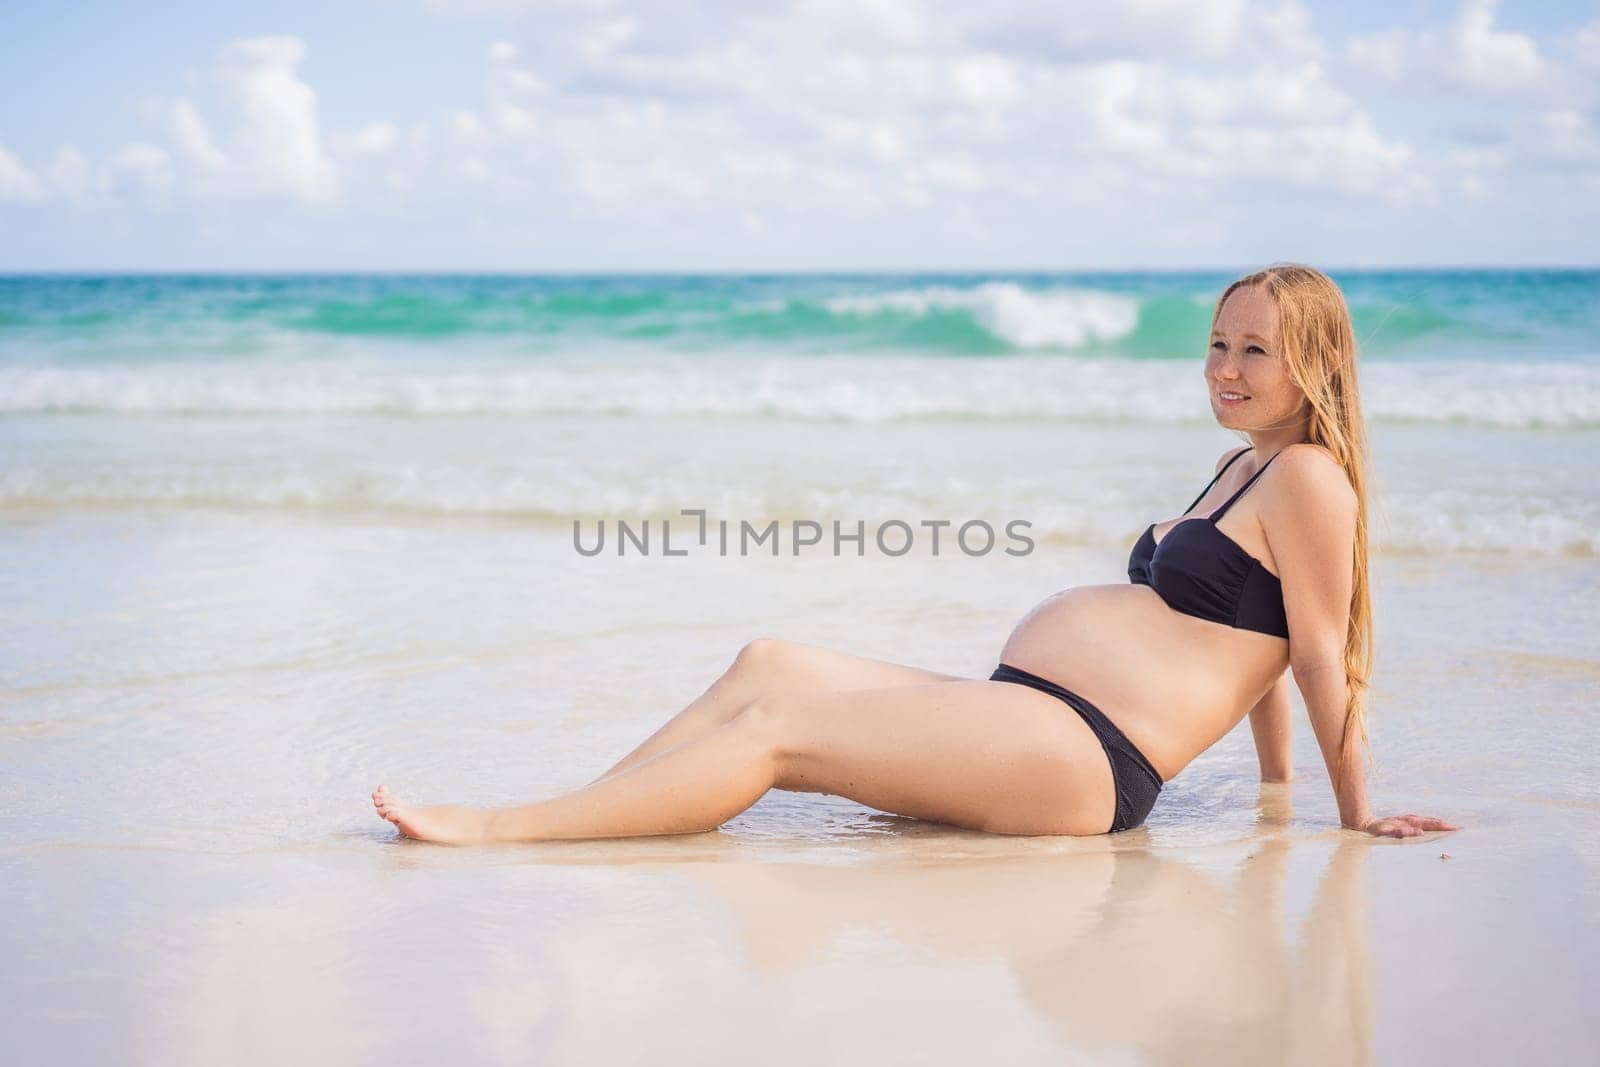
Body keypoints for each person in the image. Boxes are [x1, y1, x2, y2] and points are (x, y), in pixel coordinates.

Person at [371, 263, 1460, 844]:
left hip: (1082, 758)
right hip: (1037, 718)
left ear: (1312, 361)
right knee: (771, 662)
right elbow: (1250, 640)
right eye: (1217, 342)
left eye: (1254, 349)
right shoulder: (1245, 466)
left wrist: (1348, 808)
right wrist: (1268, 788)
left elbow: (1315, 652)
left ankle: (506, 829)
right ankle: (598, 807)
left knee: (780, 733)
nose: (1223, 367)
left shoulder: (1311, 477)